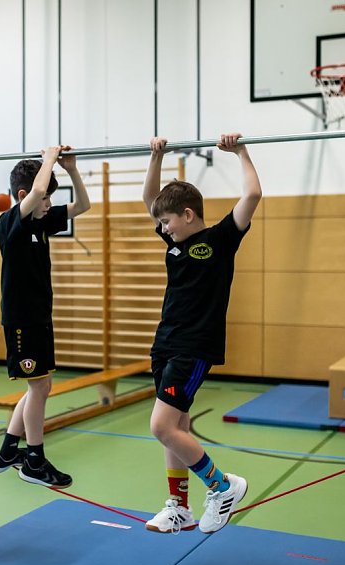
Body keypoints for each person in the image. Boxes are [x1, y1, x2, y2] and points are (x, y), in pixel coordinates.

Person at [141, 133, 262, 534]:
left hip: (194, 346)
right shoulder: (173, 243)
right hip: (166, 343)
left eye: (168, 221)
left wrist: (241, 152)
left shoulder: (220, 240)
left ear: (189, 215)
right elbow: (150, 201)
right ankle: (179, 507)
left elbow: (253, 195)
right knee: (175, 430)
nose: (162, 227)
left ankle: (223, 486)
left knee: (162, 426)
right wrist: (155, 157)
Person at [0, 145, 91, 488]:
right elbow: (35, 192)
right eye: (46, 198)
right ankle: (33, 458)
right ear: (24, 196)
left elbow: (84, 206)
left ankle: (6, 451)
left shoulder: (41, 222)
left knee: (40, 386)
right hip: (22, 319)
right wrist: (48, 159)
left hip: (38, 317)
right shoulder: (9, 223)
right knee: (40, 387)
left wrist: (71, 169)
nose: (48, 204)